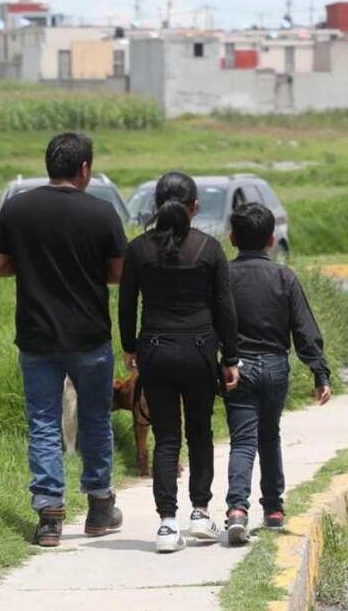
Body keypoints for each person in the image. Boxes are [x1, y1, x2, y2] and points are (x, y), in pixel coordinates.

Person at [0, 132, 126, 547]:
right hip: (89, 337)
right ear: (84, 169)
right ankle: (100, 507)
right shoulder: (101, 213)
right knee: (95, 419)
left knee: (44, 423)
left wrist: (30, 267)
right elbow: (119, 273)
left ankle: (49, 515)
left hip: (37, 336)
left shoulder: (18, 208)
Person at [118, 171, 240, 553]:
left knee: (166, 436)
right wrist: (230, 357)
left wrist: (130, 346)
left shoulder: (138, 249)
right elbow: (225, 307)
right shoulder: (209, 249)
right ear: (195, 207)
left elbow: (126, 304)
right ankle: (201, 514)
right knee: (200, 433)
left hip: (155, 348)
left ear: (156, 205)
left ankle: (167, 525)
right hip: (200, 349)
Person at [223, 203, 332, 545]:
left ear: (232, 238)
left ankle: (237, 511)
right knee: (269, 437)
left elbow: (212, 324)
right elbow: (304, 328)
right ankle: (273, 510)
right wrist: (320, 373)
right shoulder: (284, 277)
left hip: (237, 367)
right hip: (274, 365)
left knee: (243, 441)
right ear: (272, 239)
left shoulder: (223, 276)